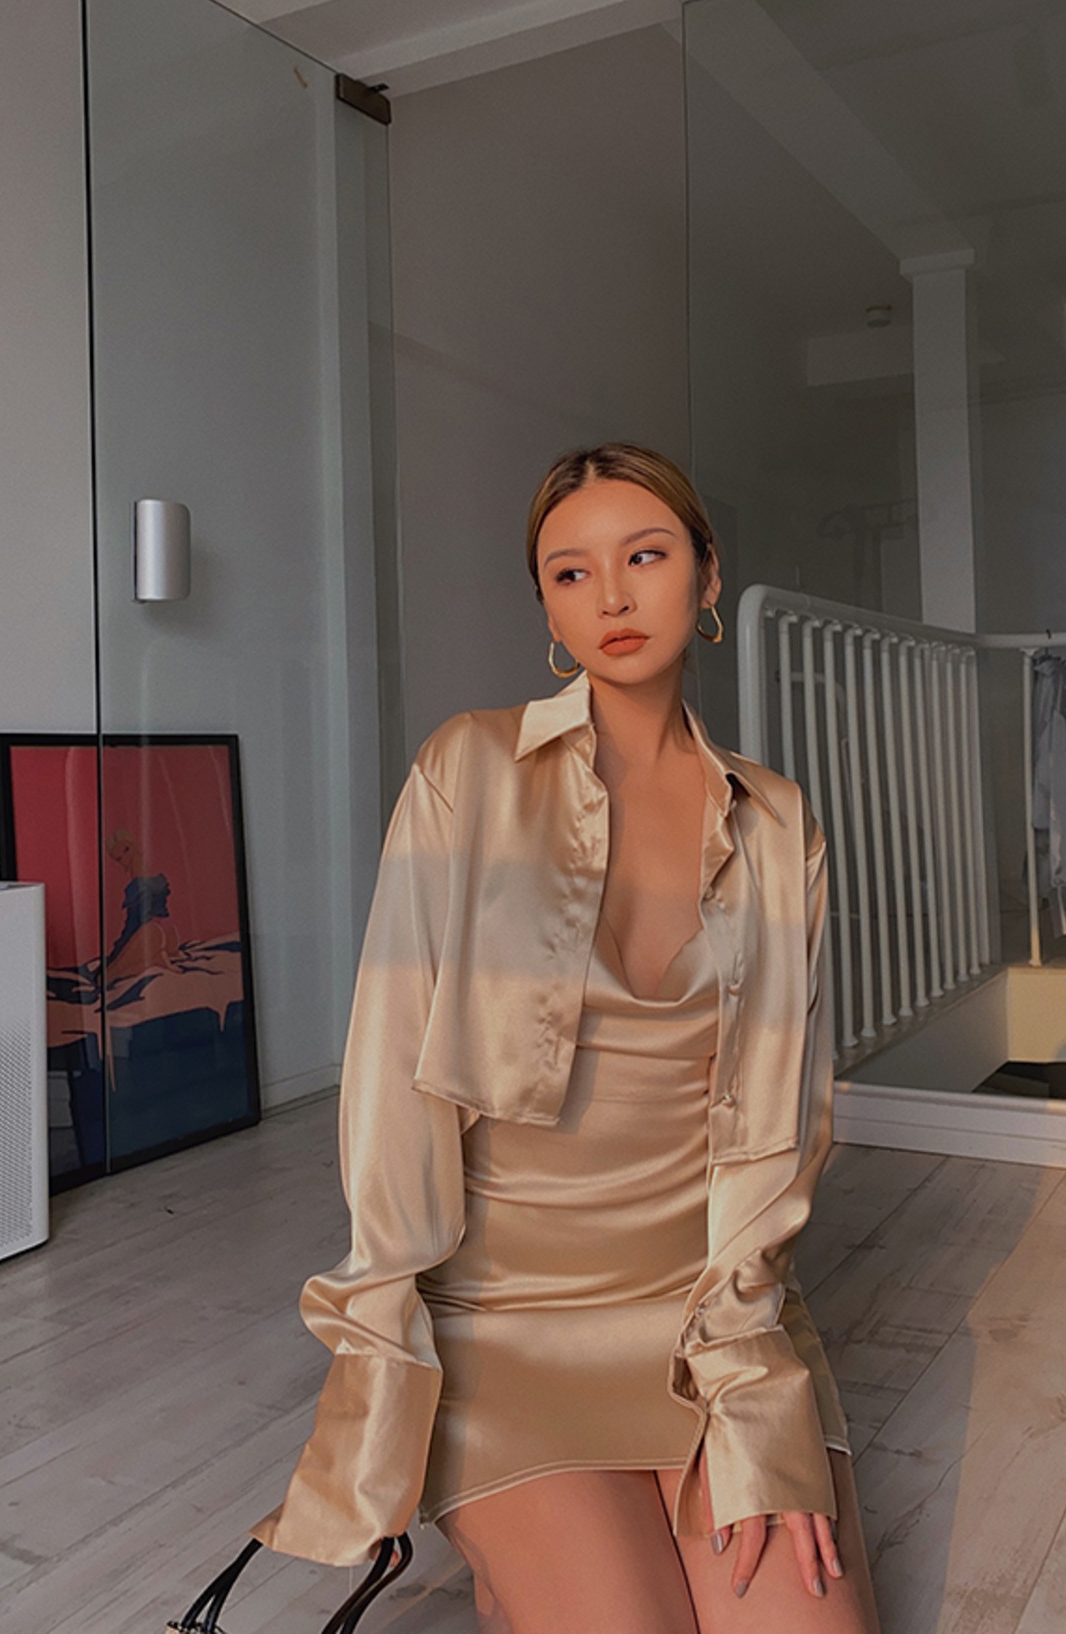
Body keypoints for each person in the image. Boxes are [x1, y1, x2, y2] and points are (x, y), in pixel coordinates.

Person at [250, 444, 881, 1632]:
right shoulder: (467, 769)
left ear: (705, 576)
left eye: (644, 555)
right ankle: (515, 1557)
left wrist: (753, 1379)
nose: (610, 596)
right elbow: (389, 1087)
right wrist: (384, 1357)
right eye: (570, 571)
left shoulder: (777, 819)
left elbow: (783, 1119)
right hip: (506, 1322)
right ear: (544, 605)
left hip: (706, 1315)